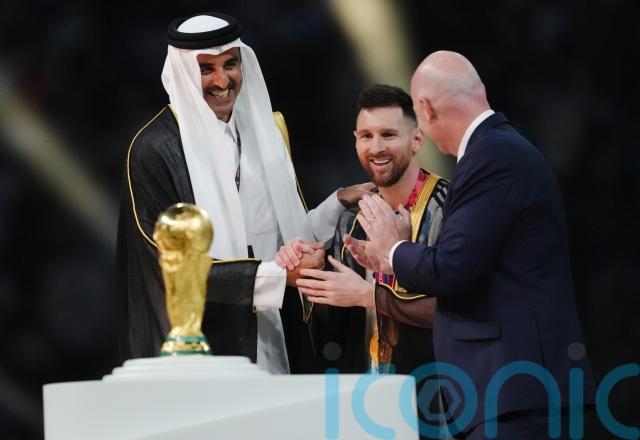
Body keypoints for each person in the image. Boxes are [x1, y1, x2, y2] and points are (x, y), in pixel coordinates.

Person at [345, 51, 596, 439]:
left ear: (425, 109)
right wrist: (391, 256)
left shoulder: (490, 158)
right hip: (511, 392)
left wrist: (394, 249)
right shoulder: (501, 150)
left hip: (513, 392)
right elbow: (469, 265)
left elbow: (451, 269)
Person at [116, 12, 370, 374]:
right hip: (204, 348)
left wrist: (337, 203)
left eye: (230, 64)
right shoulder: (155, 150)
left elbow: (283, 235)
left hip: (277, 332)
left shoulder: (266, 132)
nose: (222, 80)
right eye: (206, 68)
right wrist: (276, 277)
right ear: (183, 72)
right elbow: (170, 266)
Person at [277, 84, 448, 377]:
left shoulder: (449, 208)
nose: (376, 148)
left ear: (417, 140)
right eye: (366, 136)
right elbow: (336, 321)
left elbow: (461, 310)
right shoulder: (350, 220)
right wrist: (305, 270)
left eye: (389, 135)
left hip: (439, 386)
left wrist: (371, 294)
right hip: (363, 388)